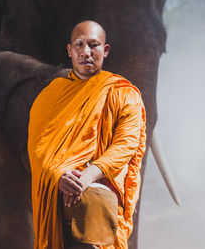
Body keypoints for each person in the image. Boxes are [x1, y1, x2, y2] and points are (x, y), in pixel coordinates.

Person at [28, 20, 146, 249]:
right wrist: (59, 176)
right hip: (58, 206)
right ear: (69, 50)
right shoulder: (50, 96)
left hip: (100, 210)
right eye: (79, 45)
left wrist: (86, 178)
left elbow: (125, 145)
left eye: (94, 45)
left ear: (106, 50)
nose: (86, 52)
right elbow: (37, 148)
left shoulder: (123, 94)